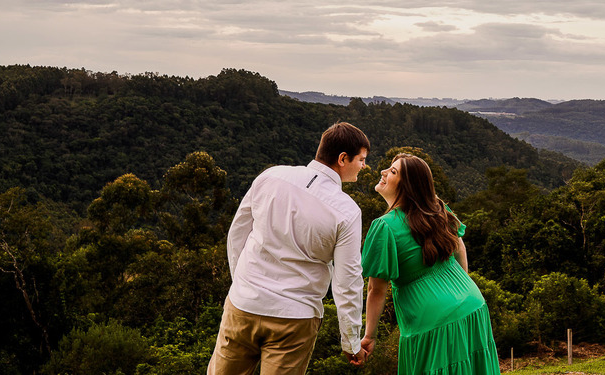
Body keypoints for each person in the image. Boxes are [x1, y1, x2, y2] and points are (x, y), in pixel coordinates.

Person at [207, 121, 370, 375]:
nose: (364, 165)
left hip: (243, 305)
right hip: (295, 318)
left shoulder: (271, 176)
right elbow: (347, 281)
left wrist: (241, 284)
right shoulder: (347, 211)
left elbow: (238, 232)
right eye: (361, 159)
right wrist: (350, 341)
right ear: (342, 158)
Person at [356, 154, 501, 375]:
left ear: (407, 186)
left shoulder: (384, 227)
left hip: (433, 323)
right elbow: (460, 247)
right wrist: (458, 291)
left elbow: (376, 288)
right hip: (473, 304)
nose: (383, 172)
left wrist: (370, 336)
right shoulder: (438, 209)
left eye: (393, 171)